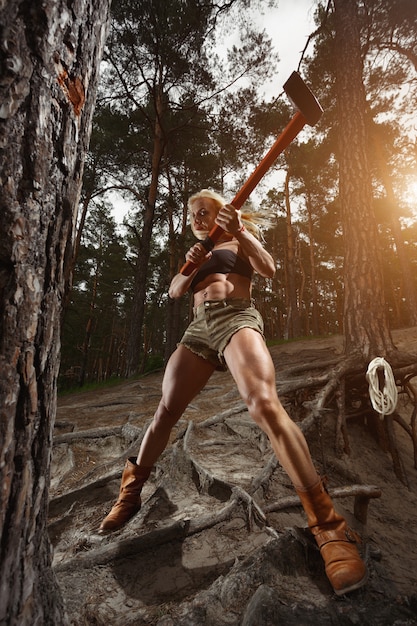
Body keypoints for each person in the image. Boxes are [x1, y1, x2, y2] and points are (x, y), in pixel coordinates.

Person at [99, 189, 367, 596]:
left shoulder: (237, 238)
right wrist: (190, 266)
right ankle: (130, 494)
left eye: (203, 211)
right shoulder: (194, 254)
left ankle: (330, 528)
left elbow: (270, 268)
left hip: (237, 318)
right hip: (197, 331)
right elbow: (174, 291)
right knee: (166, 412)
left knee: (263, 404)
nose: (197, 218)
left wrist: (239, 231)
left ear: (220, 212)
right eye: (192, 214)